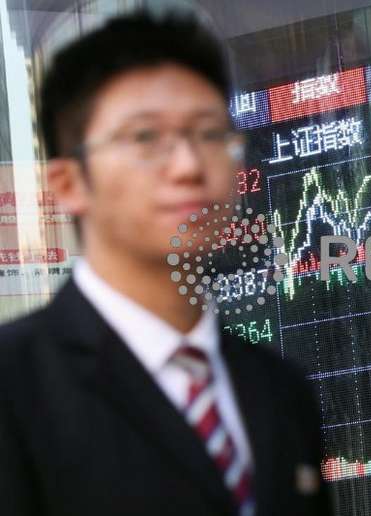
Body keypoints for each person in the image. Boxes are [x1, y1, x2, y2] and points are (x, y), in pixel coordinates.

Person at [0, 11, 331, 516]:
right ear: (68, 183)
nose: (188, 167)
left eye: (210, 134)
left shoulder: (279, 389)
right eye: (145, 138)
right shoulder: (15, 389)